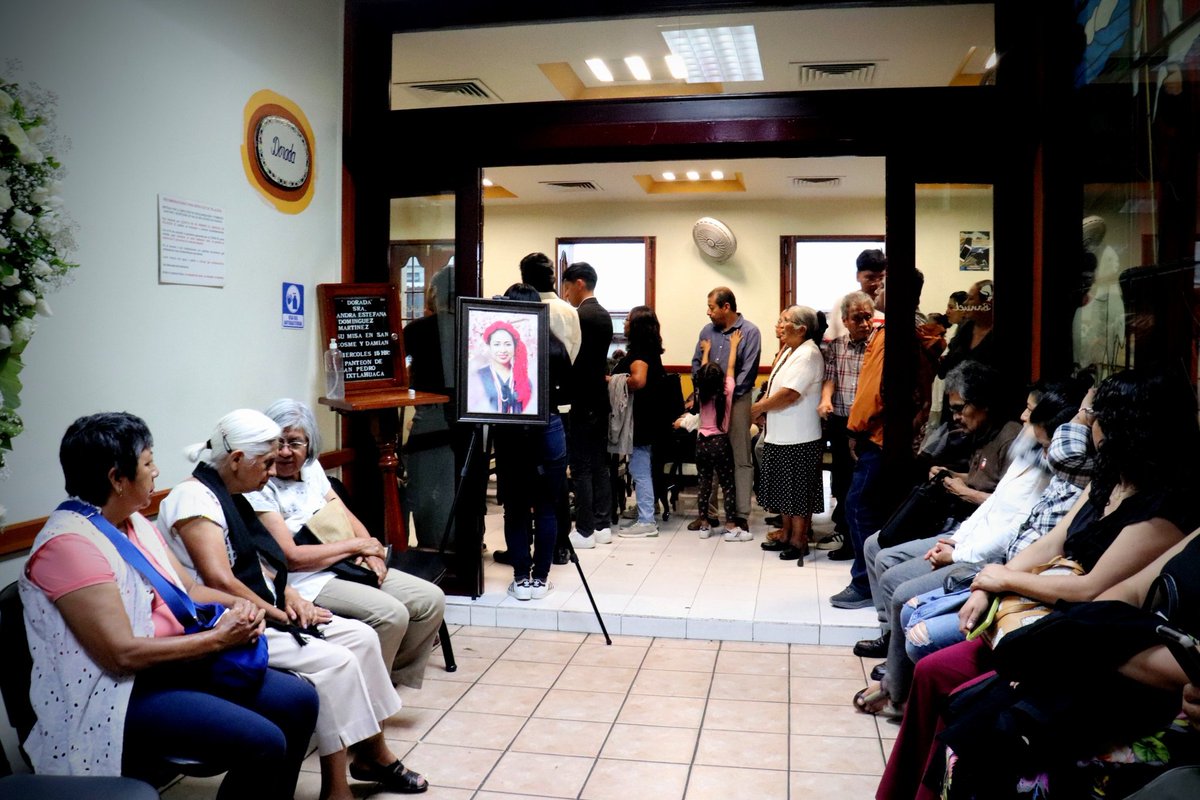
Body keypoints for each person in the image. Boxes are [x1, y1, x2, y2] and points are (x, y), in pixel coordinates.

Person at [876, 369, 1200, 800]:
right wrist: (987, 586)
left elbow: (1096, 593)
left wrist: (1002, 578)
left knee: (951, 681)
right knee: (935, 668)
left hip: (1073, 625)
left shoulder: (1167, 507)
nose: (1083, 424)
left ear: (1126, 423)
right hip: (1054, 615)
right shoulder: (1109, 480)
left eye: (1091, 414)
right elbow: (1055, 541)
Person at [20, 412, 318, 799]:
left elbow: (189, 590)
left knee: (299, 700)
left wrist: (244, 608)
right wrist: (219, 640)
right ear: (117, 478)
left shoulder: (132, 522)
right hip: (120, 693)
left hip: (170, 667)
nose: (156, 471)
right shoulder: (70, 547)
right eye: (147, 463)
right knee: (263, 742)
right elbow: (121, 655)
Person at [157, 409, 428, 799]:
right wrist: (278, 613)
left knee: (363, 639)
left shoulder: (230, 494)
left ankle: (373, 753)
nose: (271, 472)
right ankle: (336, 788)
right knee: (337, 663)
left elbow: (257, 565)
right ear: (236, 460)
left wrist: (290, 595)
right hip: (229, 620)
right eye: (265, 462)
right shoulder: (193, 499)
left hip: (264, 608)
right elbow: (220, 579)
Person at [852, 377, 1080, 717]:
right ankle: (894, 657)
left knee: (902, 595)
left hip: (990, 561)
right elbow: (993, 508)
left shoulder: (1056, 471)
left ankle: (896, 690)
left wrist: (958, 555)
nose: (1022, 417)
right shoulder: (1026, 451)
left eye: (1030, 412)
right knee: (880, 550)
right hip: (972, 543)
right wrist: (957, 540)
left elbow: (1012, 534)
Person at [246, 398, 446, 688]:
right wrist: (357, 547)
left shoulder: (311, 468)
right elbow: (291, 557)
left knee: (430, 600)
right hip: (304, 580)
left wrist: (372, 551)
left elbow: (343, 513)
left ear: (309, 443)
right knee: (391, 615)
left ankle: (387, 679)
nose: (286, 452)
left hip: (343, 564)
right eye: (278, 443)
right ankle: (366, 693)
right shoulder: (261, 483)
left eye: (295, 443)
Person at [830, 276, 946, 610]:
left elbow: (874, 393)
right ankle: (880, 578)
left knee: (859, 506)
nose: (877, 290)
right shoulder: (917, 329)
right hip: (900, 436)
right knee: (881, 508)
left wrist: (855, 428)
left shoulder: (895, 334)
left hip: (881, 437)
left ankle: (866, 582)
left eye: (882, 287)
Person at [492, 283, 572, 599]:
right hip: (549, 429)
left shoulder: (499, 348)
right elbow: (567, 394)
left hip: (511, 432)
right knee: (547, 506)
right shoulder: (554, 346)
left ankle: (521, 579)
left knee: (515, 508)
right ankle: (540, 579)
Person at [752, 305, 826, 561]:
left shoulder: (808, 354)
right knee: (784, 492)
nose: (780, 325)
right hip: (780, 434)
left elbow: (790, 393)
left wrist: (759, 407)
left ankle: (799, 540)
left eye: (786, 321)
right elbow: (775, 386)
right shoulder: (791, 350)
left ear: (801, 329)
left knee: (798, 493)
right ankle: (785, 534)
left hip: (800, 436)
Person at [690, 287, 762, 537]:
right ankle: (707, 515)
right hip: (709, 399)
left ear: (726, 307)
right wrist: (703, 390)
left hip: (738, 399)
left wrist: (725, 394)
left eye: (711, 307)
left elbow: (749, 370)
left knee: (740, 456)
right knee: (710, 461)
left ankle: (740, 516)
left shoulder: (750, 332)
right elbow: (697, 363)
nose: (708, 311)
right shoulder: (706, 331)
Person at [561, 261, 615, 550]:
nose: (565, 293)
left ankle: (584, 531)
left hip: (582, 399)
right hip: (599, 398)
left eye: (567, 287)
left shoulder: (580, 316)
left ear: (579, 283)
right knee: (600, 465)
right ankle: (603, 525)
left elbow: (574, 361)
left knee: (580, 466)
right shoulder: (604, 315)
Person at [818, 290, 875, 559]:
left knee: (864, 487)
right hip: (841, 422)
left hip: (868, 425)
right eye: (858, 318)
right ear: (845, 319)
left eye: (868, 317)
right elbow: (830, 378)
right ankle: (847, 538)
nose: (864, 324)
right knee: (841, 482)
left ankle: (862, 545)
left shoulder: (878, 346)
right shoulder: (836, 345)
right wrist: (826, 399)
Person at [614, 305, 670, 537]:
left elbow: (638, 381)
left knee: (639, 467)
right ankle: (646, 510)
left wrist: (613, 380)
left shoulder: (639, 353)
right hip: (652, 417)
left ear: (636, 325)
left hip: (643, 419)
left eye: (627, 320)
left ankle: (647, 520)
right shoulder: (651, 350)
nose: (624, 323)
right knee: (643, 465)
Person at [688, 328, 742, 539]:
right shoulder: (726, 390)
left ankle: (704, 524)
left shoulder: (700, 392)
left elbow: (702, 372)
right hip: (720, 442)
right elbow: (730, 367)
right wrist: (734, 345)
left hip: (701, 441)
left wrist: (706, 351)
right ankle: (730, 525)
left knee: (704, 483)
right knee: (727, 485)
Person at [519, 251, 581, 364]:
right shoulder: (570, 311)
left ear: (524, 280)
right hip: (561, 378)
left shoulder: (521, 310)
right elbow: (573, 353)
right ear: (553, 279)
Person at [824, 248, 887, 341]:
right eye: (870, 278)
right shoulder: (844, 303)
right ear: (858, 276)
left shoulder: (886, 303)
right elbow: (832, 340)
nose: (877, 283)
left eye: (881, 277)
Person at [470, 320, 532, 414]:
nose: (503, 350)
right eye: (497, 344)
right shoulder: (478, 377)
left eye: (507, 344)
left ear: (514, 347)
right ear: (489, 347)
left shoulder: (524, 379)